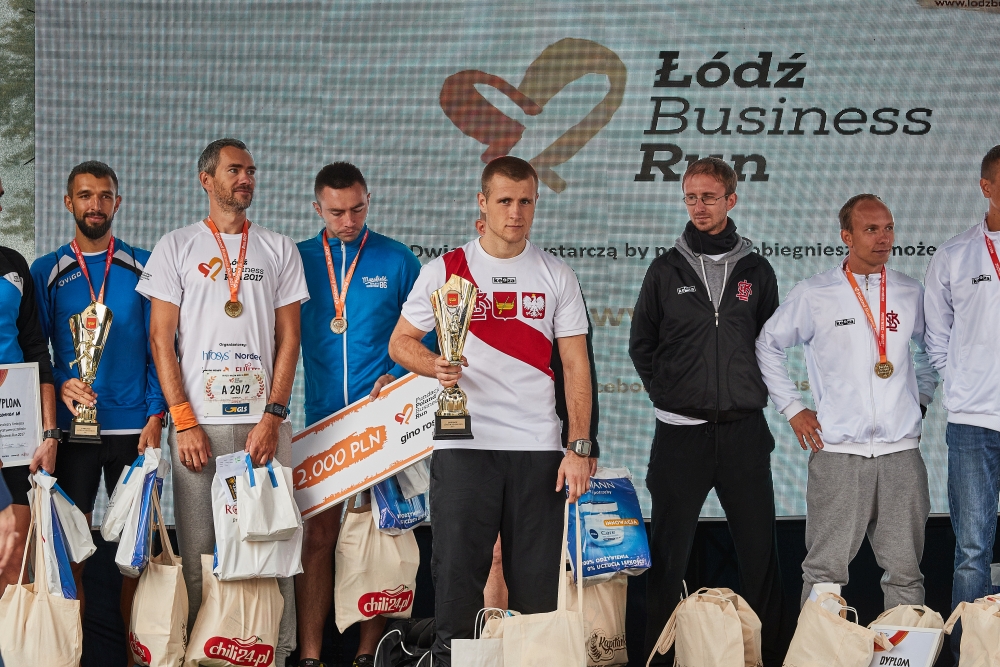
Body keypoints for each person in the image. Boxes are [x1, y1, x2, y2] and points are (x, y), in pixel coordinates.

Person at [389, 156, 596, 666]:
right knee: (457, 582)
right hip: (465, 446)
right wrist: (435, 364)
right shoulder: (446, 270)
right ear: (483, 203)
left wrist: (579, 446)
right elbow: (400, 343)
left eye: (525, 201)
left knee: (537, 591)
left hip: (538, 449)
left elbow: (576, 366)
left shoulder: (556, 273)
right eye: (504, 200)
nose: (515, 212)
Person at [138, 138, 309, 665]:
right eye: (235, 170)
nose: (246, 179)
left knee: (271, 547)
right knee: (201, 554)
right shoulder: (176, 246)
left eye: (251, 171)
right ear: (206, 180)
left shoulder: (278, 248)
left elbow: (289, 339)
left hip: (263, 426)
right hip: (200, 428)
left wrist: (274, 416)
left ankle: (275, 655)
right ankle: (202, 654)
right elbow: (160, 340)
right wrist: (183, 421)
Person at [628, 157, 784, 665]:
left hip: (744, 434)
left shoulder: (756, 270)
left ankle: (769, 655)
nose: (699, 206)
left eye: (709, 197)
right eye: (691, 197)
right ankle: (656, 658)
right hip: (680, 437)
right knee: (667, 558)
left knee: (760, 557)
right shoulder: (665, 269)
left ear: (731, 200)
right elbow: (641, 344)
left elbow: (770, 347)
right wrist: (669, 393)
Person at [756, 194, 936, 610]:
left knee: (906, 573)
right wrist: (792, 408)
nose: (883, 238)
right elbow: (767, 344)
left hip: (901, 455)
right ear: (846, 236)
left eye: (888, 228)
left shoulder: (910, 291)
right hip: (837, 452)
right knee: (825, 573)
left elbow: (932, 349)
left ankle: (902, 646)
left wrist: (921, 398)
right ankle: (820, 646)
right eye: (871, 229)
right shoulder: (815, 293)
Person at [295, 162, 434, 667]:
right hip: (322, 424)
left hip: (382, 419)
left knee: (380, 534)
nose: (348, 220)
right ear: (318, 208)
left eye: (357, 209)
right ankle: (310, 655)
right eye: (336, 212)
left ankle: (367, 654)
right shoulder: (298, 259)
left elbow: (429, 332)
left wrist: (396, 377)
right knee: (318, 537)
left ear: (368, 200)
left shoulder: (397, 259)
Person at [28, 161, 166, 636]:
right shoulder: (46, 270)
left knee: (136, 560)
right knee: (73, 557)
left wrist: (156, 415)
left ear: (117, 203)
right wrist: (62, 380)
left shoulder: (144, 265)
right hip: (74, 433)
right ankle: (74, 655)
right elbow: (36, 352)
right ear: (69, 202)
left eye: (105, 196)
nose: (95, 205)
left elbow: (161, 348)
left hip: (134, 430)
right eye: (85, 195)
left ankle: (134, 657)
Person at [924, 144, 1000, 659]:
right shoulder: (955, 254)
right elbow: (936, 336)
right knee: (972, 550)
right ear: (985, 187)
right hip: (974, 423)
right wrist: (964, 383)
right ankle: (970, 656)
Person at [0, 175, 54, 585]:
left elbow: (37, 349)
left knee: (13, 555)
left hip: (14, 428)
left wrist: (49, 433)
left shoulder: (14, 264)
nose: (0, 205)